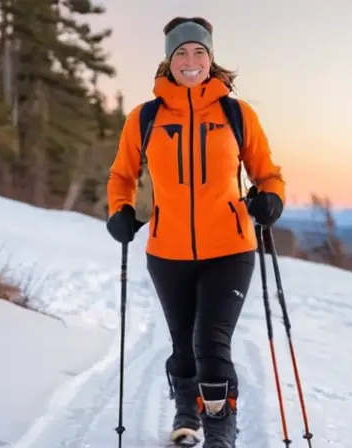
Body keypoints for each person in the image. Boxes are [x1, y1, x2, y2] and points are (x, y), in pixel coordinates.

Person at [104, 16, 285, 448]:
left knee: (210, 341)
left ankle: (221, 428)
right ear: (168, 61)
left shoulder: (236, 114)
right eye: (181, 53)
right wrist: (120, 211)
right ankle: (188, 411)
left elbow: (268, 174)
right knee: (184, 344)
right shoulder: (144, 117)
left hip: (231, 248)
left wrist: (271, 200)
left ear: (210, 59)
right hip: (167, 252)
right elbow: (121, 176)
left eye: (198, 52)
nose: (190, 60)